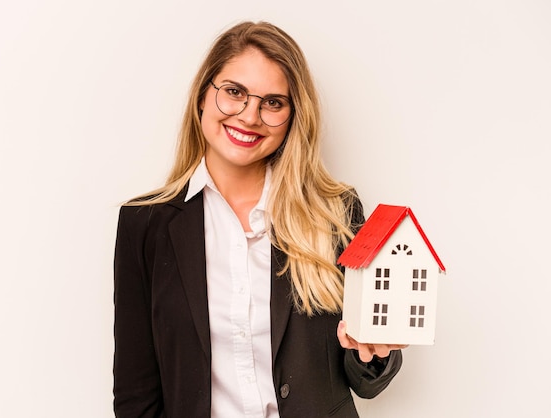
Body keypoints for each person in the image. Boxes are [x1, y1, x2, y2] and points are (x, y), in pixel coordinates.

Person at [113, 21, 406, 418]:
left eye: (272, 102)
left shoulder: (335, 212)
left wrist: (372, 353)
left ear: (291, 117)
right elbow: (136, 393)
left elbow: (365, 382)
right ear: (203, 96)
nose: (250, 116)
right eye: (234, 92)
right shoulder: (144, 225)